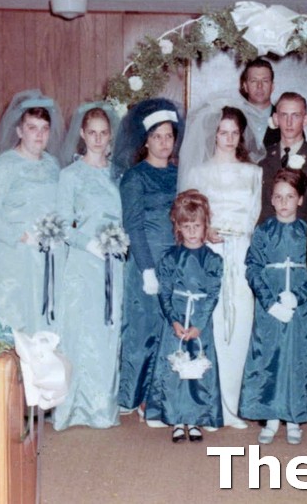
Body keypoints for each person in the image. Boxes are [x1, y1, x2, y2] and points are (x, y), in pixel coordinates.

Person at [181, 106, 262, 429]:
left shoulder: (253, 173)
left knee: (239, 327)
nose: (228, 139)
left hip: (240, 254)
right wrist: (206, 231)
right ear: (212, 134)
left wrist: (240, 239)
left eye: (234, 133)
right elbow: (188, 216)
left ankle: (232, 405)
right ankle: (208, 407)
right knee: (210, 326)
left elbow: (254, 216)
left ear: (241, 136)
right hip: (209, 254)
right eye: (222, 132)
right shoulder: (198, 173)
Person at [52, 102, 123, 430]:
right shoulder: (70, 175)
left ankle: (101, 407)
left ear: (110, 135)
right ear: (82, 134)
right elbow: (62, 224)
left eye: (103, 133)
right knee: (80, 331)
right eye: (92, 132)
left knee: (108, 330)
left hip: (113, 264)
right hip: (83, 262)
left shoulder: (117, 172)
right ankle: (74, 408)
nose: (97, 139)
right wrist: (88, 244)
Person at [114, 97, 183, 424]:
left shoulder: (179, 174)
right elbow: (133, 225)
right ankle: (131, 394)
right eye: (157, 136)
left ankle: (155, 399)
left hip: (173, 261)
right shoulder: (135, 177)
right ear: (146, 140)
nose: (164, 142)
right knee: (141, 330)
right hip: (146, 261)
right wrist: (146, 269)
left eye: (168, 136)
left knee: (167, 330)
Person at [0, 89, 65, 334]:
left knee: (45, 325)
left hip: (48, 258)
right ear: (19, 130)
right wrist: (21, 235)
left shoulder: (52, 165)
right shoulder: (3, 166)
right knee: (14, 322)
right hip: (14, 256)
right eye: (32, 127)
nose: (39, 134)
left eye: (44, 128)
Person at [239, 168, 307, 445]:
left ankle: (294, 419)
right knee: (269, 358)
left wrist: (298, 296)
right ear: (271, 199)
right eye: (279, 197)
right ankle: (270, 417)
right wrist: (270, 303)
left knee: (297, 359)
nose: (284, 202)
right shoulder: (263, 232)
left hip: (299, 310)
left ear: (300, 199)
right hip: (270, 309)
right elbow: (253, 268)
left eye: (290, 196)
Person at [145, 190, 223, 443]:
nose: (191, 231)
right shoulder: (170, 258)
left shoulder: (213, 259)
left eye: (196, 226)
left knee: (199, 369)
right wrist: (174, 321)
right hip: (177, 321)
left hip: (200, 323)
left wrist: (199, 324)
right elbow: (165, 292)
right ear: (178, 227)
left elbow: (212, 294)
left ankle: (196, 418)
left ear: (205, 226)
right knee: (175, 369)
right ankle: (177, 419)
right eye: (186, 226)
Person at [258, 92, 307, 223]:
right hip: (265, 234)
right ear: (276, 119)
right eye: (284, 115)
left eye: (295, 115)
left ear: (305, 120)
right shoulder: (262, 158)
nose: (289, 122)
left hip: (302, 234)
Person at [240, 58, 280, 150]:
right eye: (254, 81)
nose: (259, 86)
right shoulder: (233, 118)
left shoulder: (286, 119)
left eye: (265, 81)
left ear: (272, 86)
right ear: (245, 86)